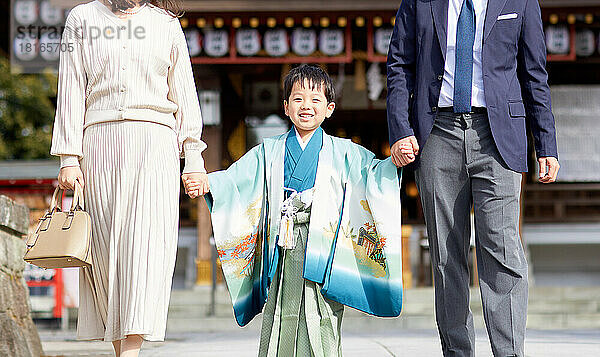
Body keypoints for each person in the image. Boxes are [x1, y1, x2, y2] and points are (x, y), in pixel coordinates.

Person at [185, 64, 403, 357]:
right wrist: (208, 182)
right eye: (298, 99)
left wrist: (395, 163)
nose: (307, 106)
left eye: (316, 100)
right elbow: (237, 180)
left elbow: (375, 176)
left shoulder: (346, 152)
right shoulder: (268, 150)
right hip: (283, 246)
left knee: (322, 315)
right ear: (286, 107)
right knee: (280, 312)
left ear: (329, 108)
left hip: (322, 252)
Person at [386, 1, 560, 356]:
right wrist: (401, 130)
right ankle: (457, 352)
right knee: (446, 255)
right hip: (438, 133)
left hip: (498, 137)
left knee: (502, 252)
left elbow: (534, 74)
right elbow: (400, 65)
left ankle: (509, 353)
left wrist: (546, 144)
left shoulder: (520, 1)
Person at [50, 1, 209, 356]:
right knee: (106, 253)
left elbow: (184, 92)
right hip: (98, 144)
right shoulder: (82, 18)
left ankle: (131, 352)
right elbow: (71, 86)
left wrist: (193, 157)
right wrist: (68, 157)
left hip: (154, 143)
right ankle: (122, 351)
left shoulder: (165, 24)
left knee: (145, 250)